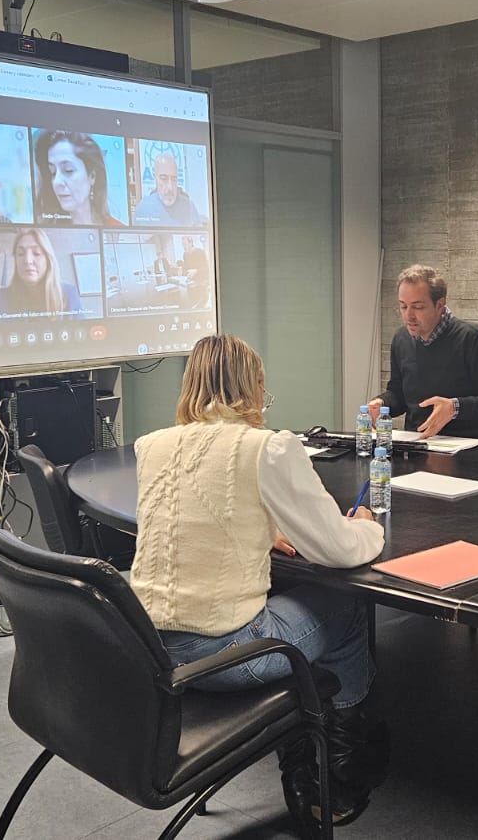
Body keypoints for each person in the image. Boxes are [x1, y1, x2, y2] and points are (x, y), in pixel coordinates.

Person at [132, 334, 388, 828]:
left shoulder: (152, 446)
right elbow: (336, 551)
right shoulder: (266, 448)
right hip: (227, 657)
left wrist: (262, 529)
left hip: (151, 651)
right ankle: (335, 766)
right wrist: (366, 525)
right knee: (348, 610)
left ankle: (307, 743)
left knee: (293, 595)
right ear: (253, 387)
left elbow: (190, 520)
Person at [370, 264, 478, 440]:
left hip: (466, 450)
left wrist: (455, 407)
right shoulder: (401, 339)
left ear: (439, 305)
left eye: (418, 307)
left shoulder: (473, 338)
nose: (409, 316)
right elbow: (398, 394)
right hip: (416, 445)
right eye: (403, 306)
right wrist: (382, 403)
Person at [33, 130, 123, 227]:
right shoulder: (43, 233)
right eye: (53, 172)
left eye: (68, 170)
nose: (57, 182)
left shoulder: (118, 229)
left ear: (92, 176)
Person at [0, 228, 82, 320]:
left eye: (36, 253)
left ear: (48, 260)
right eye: (21, 254)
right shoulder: (1, 298)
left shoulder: (69, 295)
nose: (27, 261)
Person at [131, 151, 205, 226]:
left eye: (174, 179)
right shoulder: (144, 207)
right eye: (164, 179)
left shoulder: (189, 207)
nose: (170, 187)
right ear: (155, 177)